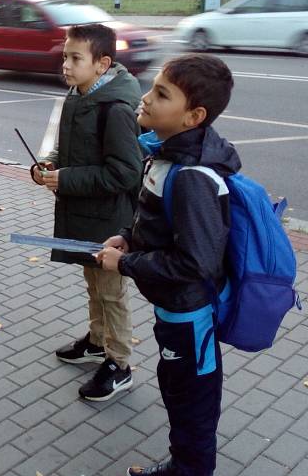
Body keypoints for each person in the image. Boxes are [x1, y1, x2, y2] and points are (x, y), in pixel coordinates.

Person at [96, 54, 238, 476]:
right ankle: (184, 464)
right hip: (172, 308)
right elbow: (159, 219)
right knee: (178, 389)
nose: (146, 98)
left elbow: (194, 263)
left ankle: (189, 469)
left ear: (193, 116)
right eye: (152, 87)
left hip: (189, 314)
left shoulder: (193, 175)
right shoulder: (164, 153)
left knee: (190, 399)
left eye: (161, 94)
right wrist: (129, 238)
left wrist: (126, 264)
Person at [31, 24, 143, 401]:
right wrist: (47, 166)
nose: (65, 64)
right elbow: (66, 152)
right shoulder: (77, 95)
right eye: (65, 56)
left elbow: (126, 173)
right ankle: (97, 342)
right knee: (93, 285)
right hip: (83, 214)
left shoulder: (115, 109)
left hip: (110, 221)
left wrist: (67, 179)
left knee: (111, 293)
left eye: (75, 58)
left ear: (102, 64)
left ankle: (120, 363)